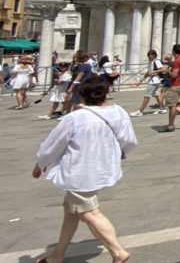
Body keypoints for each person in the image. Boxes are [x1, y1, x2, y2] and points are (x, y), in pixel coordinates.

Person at [32, 75, 137, 263]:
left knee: (89, 212)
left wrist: (40, 164)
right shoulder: (119, 112)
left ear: (82, 96)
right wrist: (118, 153)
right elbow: (129, 141)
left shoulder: (75, 118)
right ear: (106, 93)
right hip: (102, 167)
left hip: (79, 171)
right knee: (71, 210)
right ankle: (58, 255)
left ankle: (118, 252)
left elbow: (52, 145)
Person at [159, 44, 180, 133]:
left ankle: (171, 125)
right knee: (173, 104)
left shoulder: (177, 61)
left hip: (176, 85)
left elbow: (174, 75)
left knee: (171, 106)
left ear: (173, 51)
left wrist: (166, 70)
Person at [130, 50, 166, 117]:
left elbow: (163, 69)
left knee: (147, 96)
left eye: (151, 55)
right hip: (153, 80)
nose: (150, 56)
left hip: (154, 81)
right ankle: (162, 108)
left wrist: (154, 71)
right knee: (157, 94)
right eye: (149, 55)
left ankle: (140, 111)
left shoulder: (156, 61)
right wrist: (141, 80)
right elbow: (148, 72)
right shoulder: (151, 62)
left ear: (154, 55)